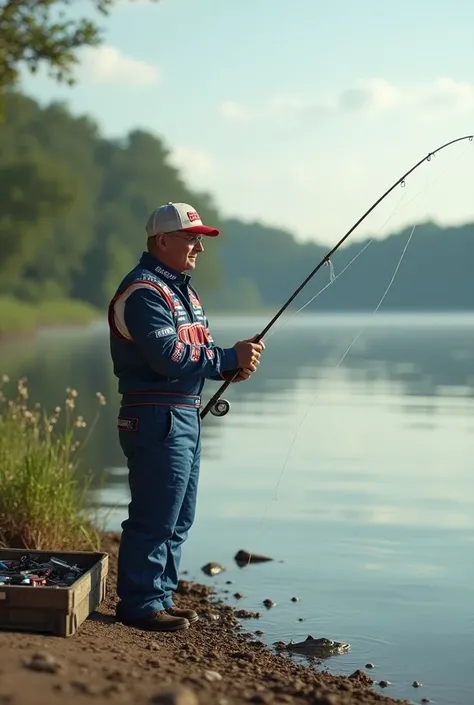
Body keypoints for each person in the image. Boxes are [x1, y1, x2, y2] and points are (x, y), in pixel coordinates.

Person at [108, 201, 264, 632]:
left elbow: (197, 354)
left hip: (183, 415)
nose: (199, 246)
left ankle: (159, 595)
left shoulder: (184, 292)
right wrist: (227, 355)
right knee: (155, 515)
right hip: (154, 415)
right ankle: (139, 604)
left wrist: (230, 365)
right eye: (191, 238)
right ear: (162, 241)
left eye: (201, 238)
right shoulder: (143, 291)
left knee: (179, 516)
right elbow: (167, 356)